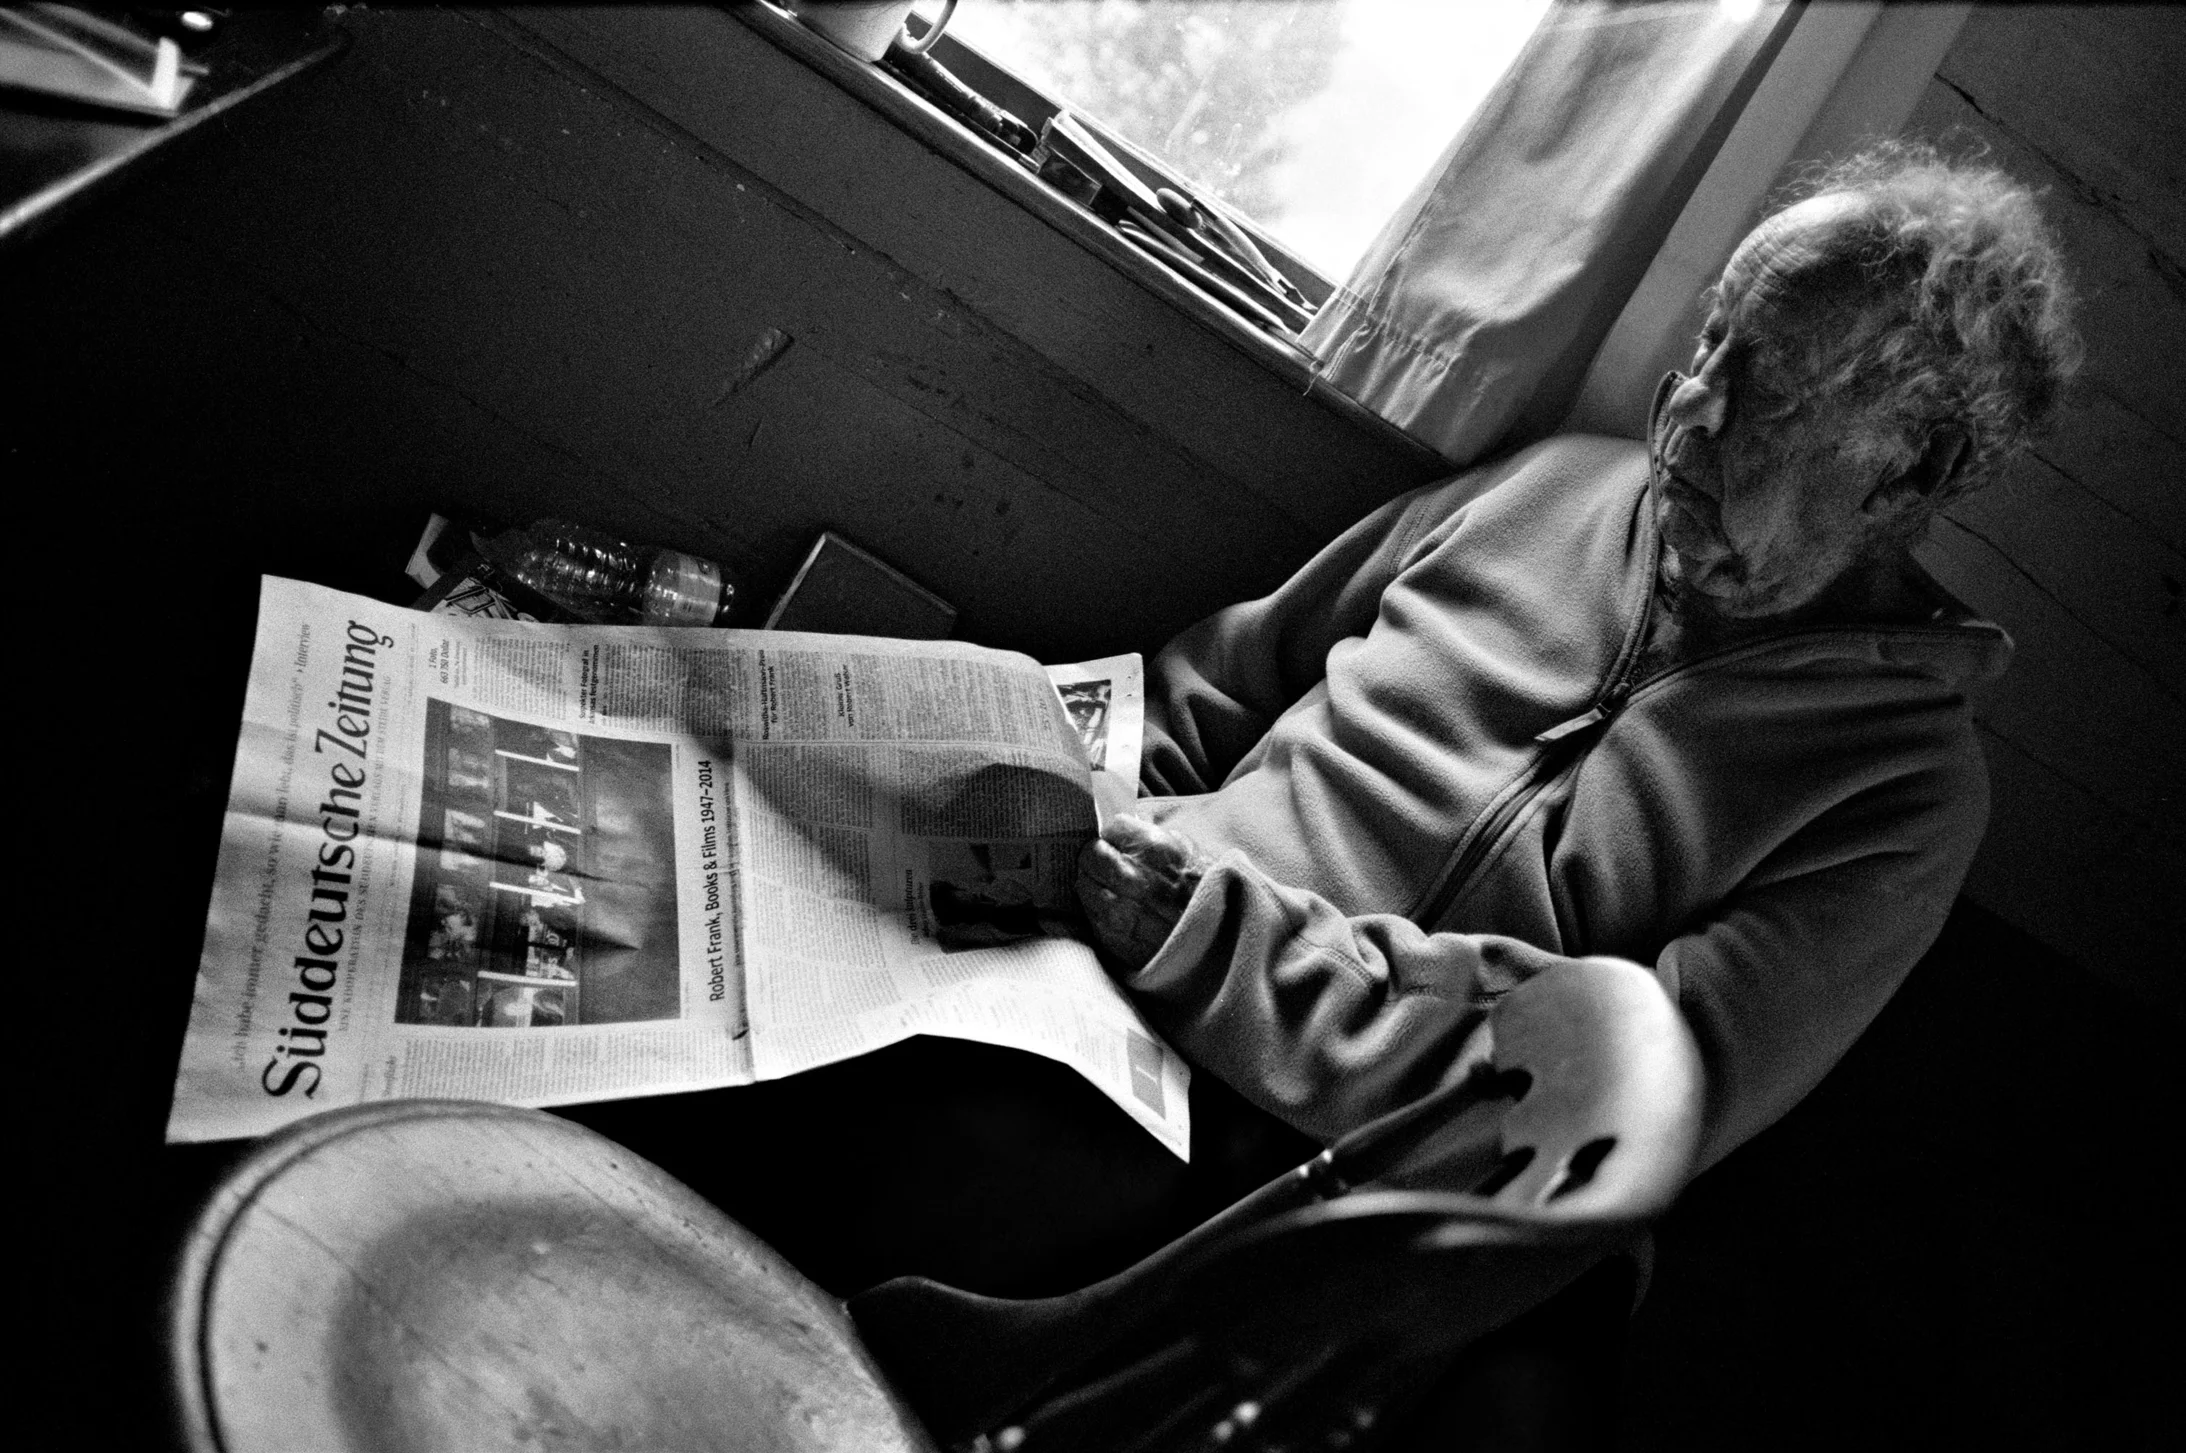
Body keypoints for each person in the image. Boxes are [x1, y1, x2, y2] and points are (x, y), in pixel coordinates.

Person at [1078, 141, 2080, 1174]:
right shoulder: (1554, 483)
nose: (1691, 406)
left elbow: (1624, 1088)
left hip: (1315, 1168)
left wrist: (1220, 941)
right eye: (1711, 340)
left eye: (1771, 388)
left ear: (1911, 468)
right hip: (1108, 949)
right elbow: (1218, 684)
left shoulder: (1901, 790)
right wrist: (1074, 818)